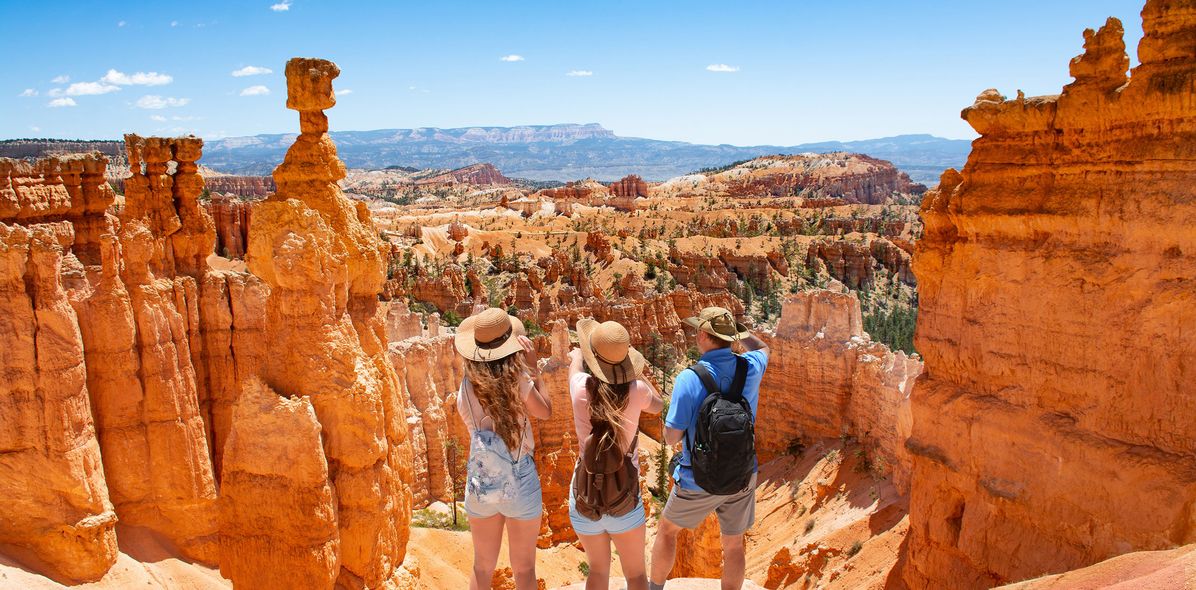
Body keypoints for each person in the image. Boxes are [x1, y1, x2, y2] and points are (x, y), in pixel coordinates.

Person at [649, 307, 770, 590]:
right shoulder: (750, 366)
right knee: (733, 545)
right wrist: (743, 334)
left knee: (667, 531)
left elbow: (671, 437)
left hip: (697, 479)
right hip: (741, 474)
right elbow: (764, 348)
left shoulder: (689, 378)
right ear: (732, 337)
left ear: (703, 335)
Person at [454, 307, 552, 590]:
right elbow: (544, 412)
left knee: (481, 567)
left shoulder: (465, 388)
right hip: (520, 477)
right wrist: (535, 374)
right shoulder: (518, 383)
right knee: (523, 570)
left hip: (482, 479)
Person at [567, 319, 663, 590]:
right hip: (624, 497)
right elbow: (658, 405)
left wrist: (576, 355)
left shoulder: (579, 388)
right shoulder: (637, 391)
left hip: (584, 494)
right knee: (635, 576)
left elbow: (574, 368)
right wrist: (638, 374)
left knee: (597, 572)